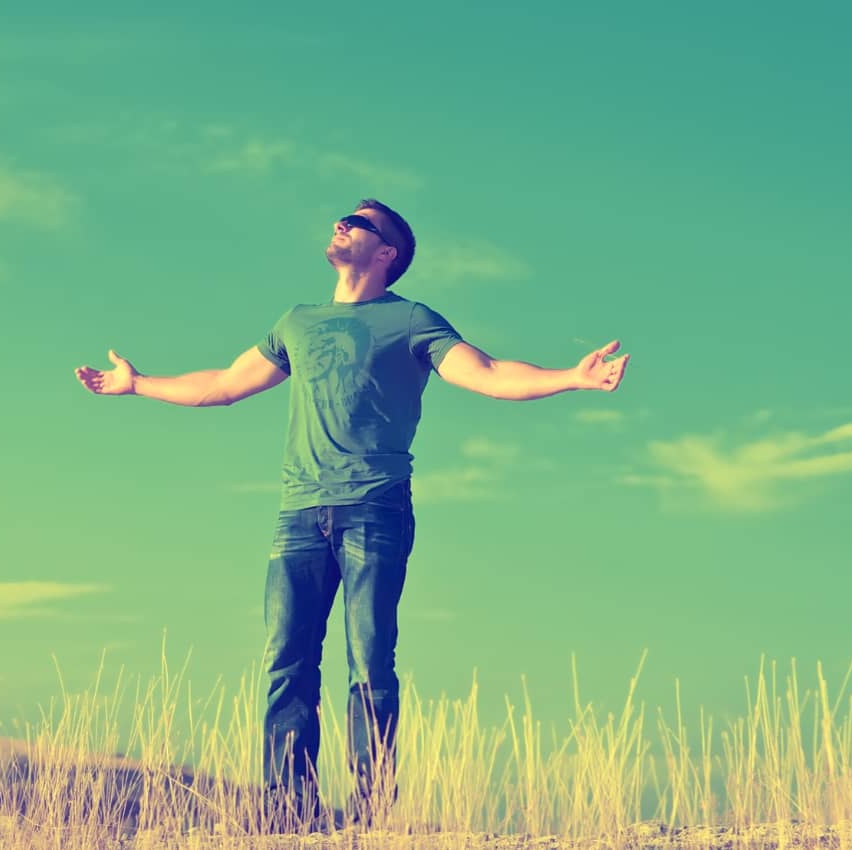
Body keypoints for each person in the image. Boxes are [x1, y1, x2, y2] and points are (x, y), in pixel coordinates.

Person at [74, 198, 628, 831]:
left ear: (386, 252)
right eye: (344, 217)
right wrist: (138, 383)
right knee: (287, 664)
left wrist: (572, 377)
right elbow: (225, 384)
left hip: (375, 507)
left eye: (359, 223)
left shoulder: (410, 320)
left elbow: (489, 372)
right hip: (298, 515)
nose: (342, 223)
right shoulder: (298, 322)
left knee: (369, 664)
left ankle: (372, 820)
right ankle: (288, 818)